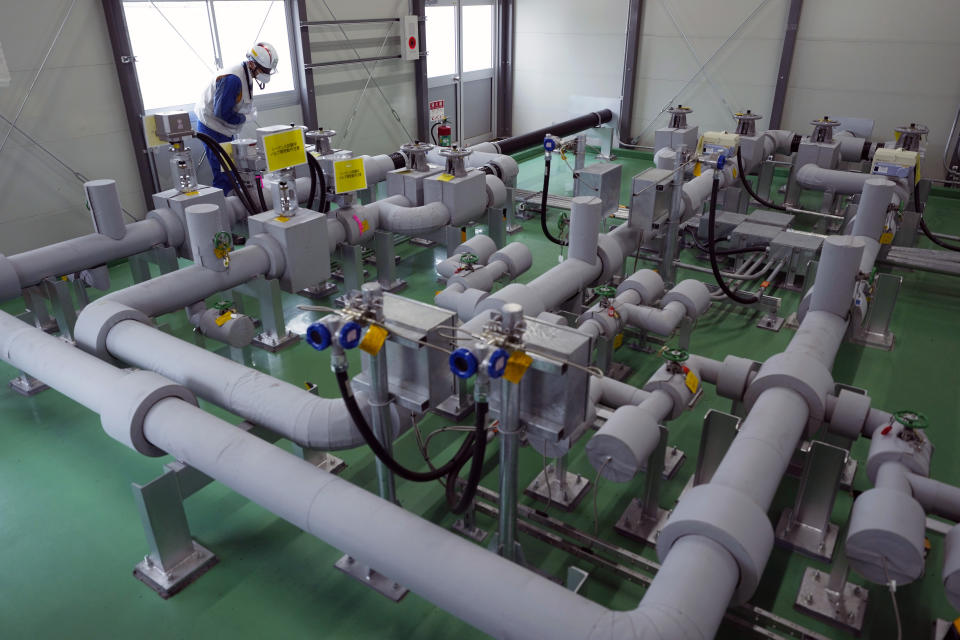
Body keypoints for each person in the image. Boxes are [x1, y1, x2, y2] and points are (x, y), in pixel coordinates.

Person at [195, 42, 279, 194]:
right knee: (224, 173)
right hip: (212, 128)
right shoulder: (233, 79)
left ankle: (238, 200)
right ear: (252, 64)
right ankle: (228, 209)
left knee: (233, 169)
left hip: (224, 129)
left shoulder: (246, 74)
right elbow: (222, 112)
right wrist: (244, 118)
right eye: (265, 69)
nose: (266, 73)